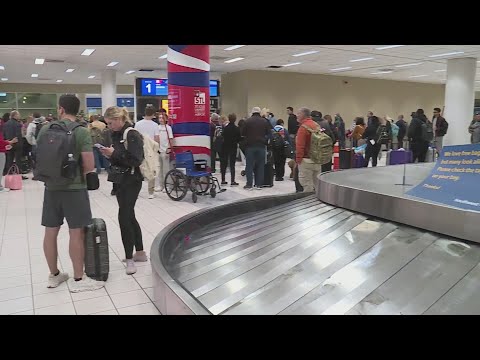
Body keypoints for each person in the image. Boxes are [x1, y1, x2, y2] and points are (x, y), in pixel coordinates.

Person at [37, 94, 105, 292]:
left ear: (60, 109)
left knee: (50, 231)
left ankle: (54, 276)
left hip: (51, 188)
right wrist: (75, 177)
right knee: (76, 232)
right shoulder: (81, 132)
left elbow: (38, 156)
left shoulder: (45, 129)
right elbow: (90, 164)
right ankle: (78, 279)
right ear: (78, 110)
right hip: (74, 189)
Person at [101, 106, 147, 275]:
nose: (110, 126)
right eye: (108, 123)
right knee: (129, 215)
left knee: (124, 217)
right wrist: (109, 155)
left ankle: (129, 258)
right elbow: (120, 157)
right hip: (121, 180)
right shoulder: (116, 134)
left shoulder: (132, 134)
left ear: (120, 119)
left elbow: (136, 160)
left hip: (132, 181)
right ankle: (140, 252)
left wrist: (114, 154)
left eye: (111, 123)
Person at [134, 105, 160, 199]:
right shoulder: (155, 125)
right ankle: (150, 192)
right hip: (151, 150)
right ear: (153, 114)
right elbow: (157, 138)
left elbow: (136, 137)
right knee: (151, 169)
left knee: (139, 169)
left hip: (140, 148)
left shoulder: (138, 124)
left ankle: (136, 191)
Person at [296, 107, 323, 192]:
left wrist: (298, 160)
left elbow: (300, 146)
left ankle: (308, 204)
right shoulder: (316, 125)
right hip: (317, 159)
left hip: (306, 160)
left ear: (303, 115)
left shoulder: (303, 127)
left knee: (307, 185)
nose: (297, 115)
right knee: (317, 185)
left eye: (299, 113)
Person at [243, 107, 270, 190]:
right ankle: (259, 184)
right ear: (259, 112)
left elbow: (243, 133)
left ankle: (249, 184)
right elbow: (269, 133)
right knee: (261, 165)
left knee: (249, 166)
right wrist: (265, 140)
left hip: (250, 146)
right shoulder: (264, 121)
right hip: (261, 146)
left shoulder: (247, 121)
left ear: (252, 112)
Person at [3, 110, 27, 179]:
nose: (19, 116)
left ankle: (9, 174)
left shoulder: (6, 124)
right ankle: (19, 174)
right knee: (18, 159)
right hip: (17, 143)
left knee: (9, 159)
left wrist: (7, 141)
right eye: (18, 114)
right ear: (15, 115)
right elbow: (18, 134)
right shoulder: (18, 124)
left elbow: (4, 134)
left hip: (9, 143)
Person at [220, 113, 241, 186]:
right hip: (233, 147)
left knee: (224, 164)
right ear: (235, 119)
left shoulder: (225, 128)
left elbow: (222, 136)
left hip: (225, 147)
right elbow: (239, 139)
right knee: (232, 164)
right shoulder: (237, 128)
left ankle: (223, 180)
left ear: (229, 119)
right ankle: (232, 181)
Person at [155, 112, 174, 193]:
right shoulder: (157, 127)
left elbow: (171, 139)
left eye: (162, 118)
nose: (161, 119)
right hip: (158, 150)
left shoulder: (168, 128)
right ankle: (160, 185)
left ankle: (168, 186)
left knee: (166, 169)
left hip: (165, 151)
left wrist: (169, 148)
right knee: (159, 169)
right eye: (159, 118)